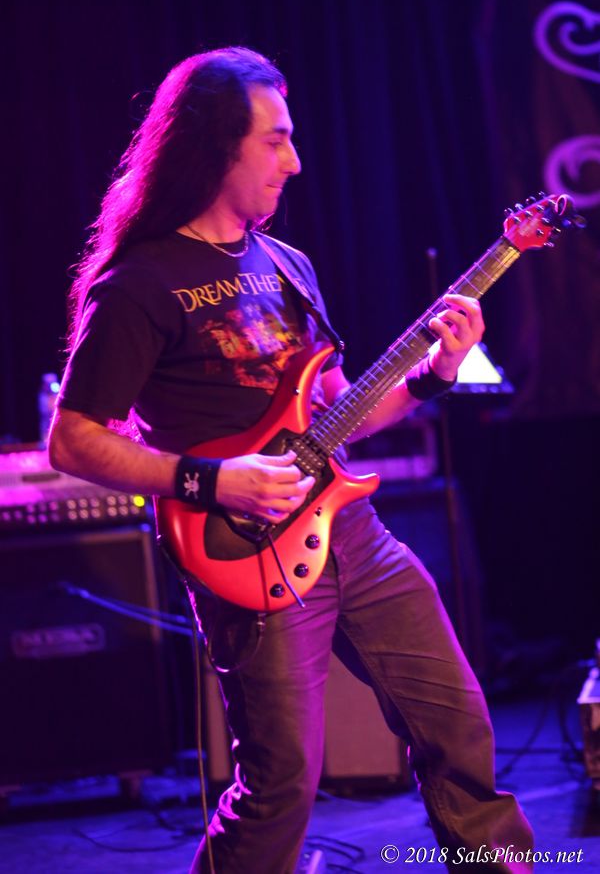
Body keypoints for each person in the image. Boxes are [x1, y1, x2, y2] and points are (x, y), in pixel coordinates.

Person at [49, 47, 534, 873]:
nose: (295, 161)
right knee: (280, 784)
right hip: (245, 552)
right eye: (274, 140)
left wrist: (435, 374)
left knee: (457, 726)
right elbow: (73, 440)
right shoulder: (136, 285)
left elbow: (341, 411)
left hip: (355, 535)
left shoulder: (287, 266)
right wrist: (212, 480)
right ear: (214, 145)